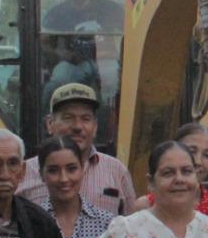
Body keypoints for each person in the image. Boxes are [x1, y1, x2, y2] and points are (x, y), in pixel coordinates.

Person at [18, 83, 136, 216]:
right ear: (50, 124)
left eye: (86, 119)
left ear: (95, 126)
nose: (78, 126)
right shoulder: (25, 173)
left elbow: (132, 228)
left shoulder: (116, 171)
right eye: (68, 118)